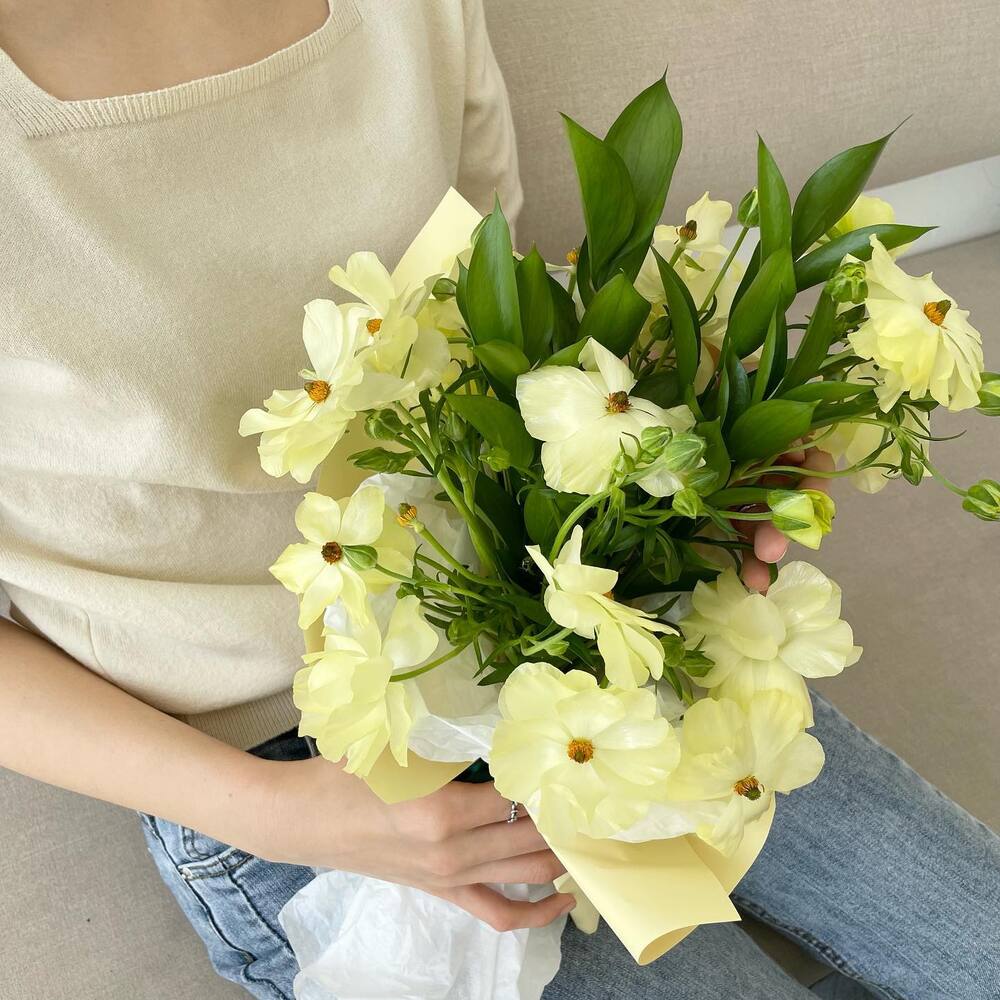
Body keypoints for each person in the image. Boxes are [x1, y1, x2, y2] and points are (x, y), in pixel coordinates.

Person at [0, 3, 997, 999]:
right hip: (278, 761)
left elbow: (490, 315)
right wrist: (277, 810)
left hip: (564, 620)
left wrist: (693, 456)